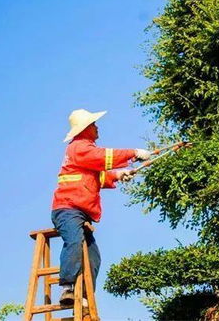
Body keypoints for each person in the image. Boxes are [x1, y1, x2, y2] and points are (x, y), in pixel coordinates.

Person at [51, 109, 151, 305]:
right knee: (74, 242)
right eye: (93, 124)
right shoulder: (79, 147)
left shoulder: (83, 151)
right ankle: (68, 288)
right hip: (68, 209)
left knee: (93, 257)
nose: (97, 127)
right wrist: (133, 153)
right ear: (85, 129)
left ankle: (85, 295)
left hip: (79, 211)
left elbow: (97, 176)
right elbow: (103, 157)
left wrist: (118, 175)